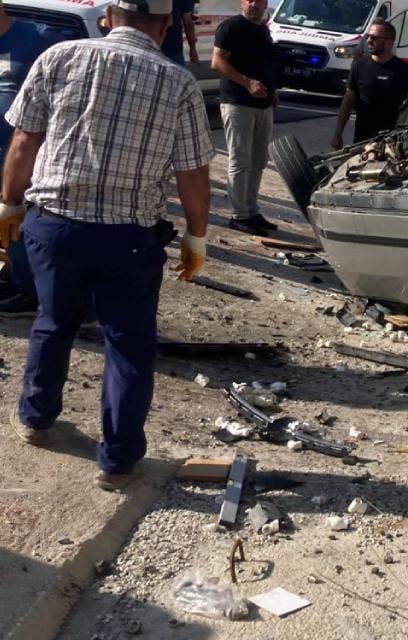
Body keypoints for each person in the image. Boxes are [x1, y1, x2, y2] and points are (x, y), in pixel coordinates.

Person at [0, 0, 213, 491]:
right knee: (128, 346)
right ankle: (116, 462)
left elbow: (22, 142)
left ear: (108, 18)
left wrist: (10, 204)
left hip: (54, 228)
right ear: (162, 28)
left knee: (52, 323)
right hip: (129, 240)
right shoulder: (177, 82)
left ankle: (36, 420)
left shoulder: (58, 57)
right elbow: (193, 174)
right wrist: (196, 236)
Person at [0, 1, 61, 316]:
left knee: (17, 220)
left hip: (20, 152)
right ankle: (11, 276)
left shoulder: (37, 38)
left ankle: (26, 289)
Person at [212, 0, 277, 237]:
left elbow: (266, 64)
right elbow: (217, 62)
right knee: (240, 161)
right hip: (237, 102)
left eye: (259, 1)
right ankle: (239, 215)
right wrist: (247, 83)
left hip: (263, 104)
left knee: (259, 160)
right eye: (250, 0)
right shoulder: (231, 27)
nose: (254, 4)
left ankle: (252, 211)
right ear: (242, 2)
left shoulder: (263, 30)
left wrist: (274, 92)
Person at [330, 18, 408, 149]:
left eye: (374, 37)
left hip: (391, 143)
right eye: (368, 36)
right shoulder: (359, 67)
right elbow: (348, 102)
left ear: (389, 42)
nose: (369, 40)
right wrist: (338, 134)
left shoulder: (403, 70)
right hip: (361, 141)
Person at [160, 0, 198, 67]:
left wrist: (193, 49)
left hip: (173, 49)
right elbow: (188, 22)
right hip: (150, 48)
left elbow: (188, 23)